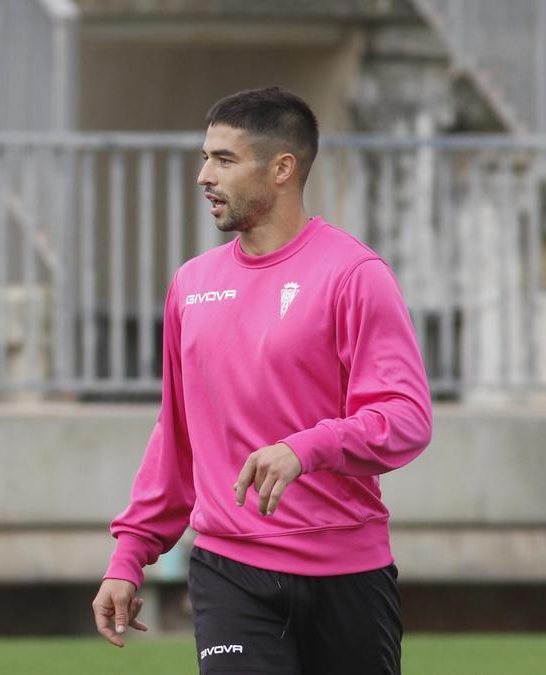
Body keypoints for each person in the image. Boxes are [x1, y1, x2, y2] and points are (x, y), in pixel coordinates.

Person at [91, 86, 432, 674]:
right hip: (230, 572)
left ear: (282, 168)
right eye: (205, 158)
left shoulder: (354, 275)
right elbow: (176, 436)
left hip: (348, 574)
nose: (204, 176)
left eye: (224, 160)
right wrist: (129, 554)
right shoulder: (191, 285)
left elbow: (406, 418)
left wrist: (306, 449)